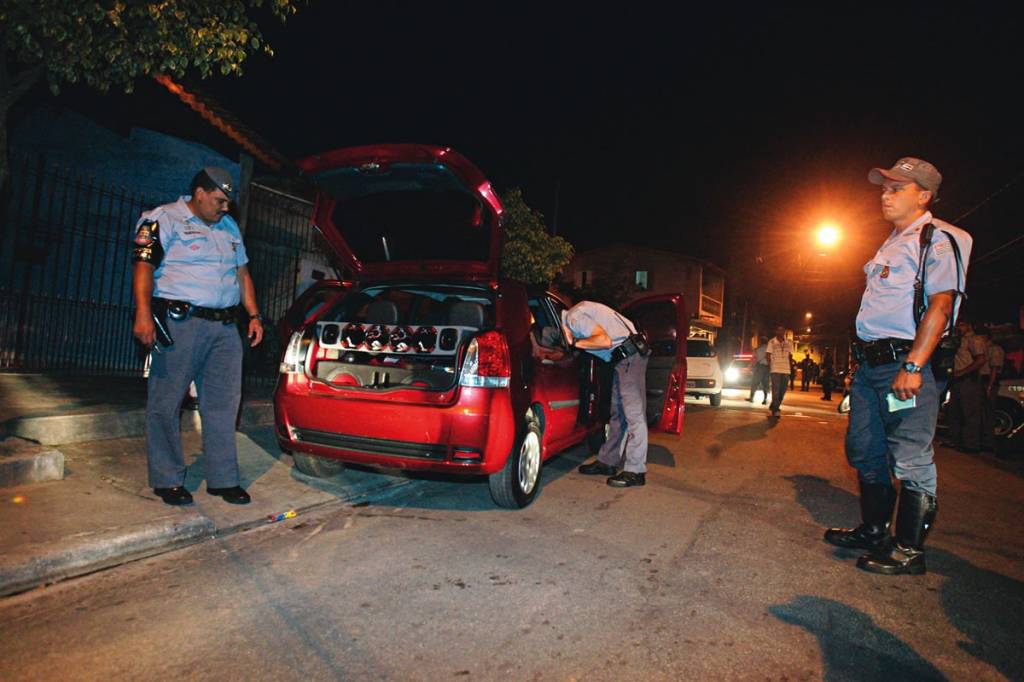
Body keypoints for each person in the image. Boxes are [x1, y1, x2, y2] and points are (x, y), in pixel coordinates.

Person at [825, 157, 972, 576]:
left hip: (905, 364)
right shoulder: (892, 242)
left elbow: (941, 306)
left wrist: (913, 364)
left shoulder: (939, 238)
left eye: (896, 189)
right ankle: (874, 530)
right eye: (884, 188)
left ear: (923, 195)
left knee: (909, 457)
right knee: (865, 450)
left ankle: (908, 549)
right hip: (873, 366)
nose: (885, 195)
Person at [131, 167, 264, 506]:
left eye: (228, 202)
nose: (225, 207)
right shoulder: (163, 219)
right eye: (219, 200)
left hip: (224, 328)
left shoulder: (229, 227)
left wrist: (254, 315)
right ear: (200, 193)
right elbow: (144, 266)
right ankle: (168, 479)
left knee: (223, 405)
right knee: (166, 402)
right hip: (180, 323)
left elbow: (242, 274)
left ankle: (223, 479)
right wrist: (143, 313)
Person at [567, 301, 650, 488]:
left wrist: (573, 342)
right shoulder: (581, 312)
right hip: (626, 357)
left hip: (629, 357)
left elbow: (604, 341)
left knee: (633, 415)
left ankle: (636, 471)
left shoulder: (574, 318)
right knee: (618, 414)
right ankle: (608, 461)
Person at [945, 320, 987, 453]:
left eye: (961, 324)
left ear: (968, 325)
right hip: (956, 380)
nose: (958, 327)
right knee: (955, 412)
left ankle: (971, 445)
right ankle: (957, 441)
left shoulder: (974, 340)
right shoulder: (959, 339)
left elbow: (980, 360)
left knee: (970, 413)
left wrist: (962, 372)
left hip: (968, 379)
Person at [978, 326, 1004, 452]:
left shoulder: (995, 349)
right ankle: (983, 440)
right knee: (982, 412)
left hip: (989, 381)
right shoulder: (985, 348)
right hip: (982, 380)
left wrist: (989, 385)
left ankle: (988, 442)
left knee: (989, 412)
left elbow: (994, 369)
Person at [766, 326, 793, 417]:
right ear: (776, 331)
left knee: (783, 391)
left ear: (785, 332)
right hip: (775, 369)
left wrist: (791, 368)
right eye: (779, 330)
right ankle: (776, 410)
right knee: (776, 391)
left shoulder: (789, 343)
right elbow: (768, 355)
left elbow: (790, 356)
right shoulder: (772, 342)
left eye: (783, 330)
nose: (781, 332)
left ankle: (774, 405)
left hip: (786, 370)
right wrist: (771, 366)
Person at [746, 336, 771, 405]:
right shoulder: (770, 349)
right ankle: (765, 399)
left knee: (755, 382)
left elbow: (754, 359)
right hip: (767, 368)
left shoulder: (757, 349)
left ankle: (751, 398)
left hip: (759, 367)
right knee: (765, 384)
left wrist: (751, 366)